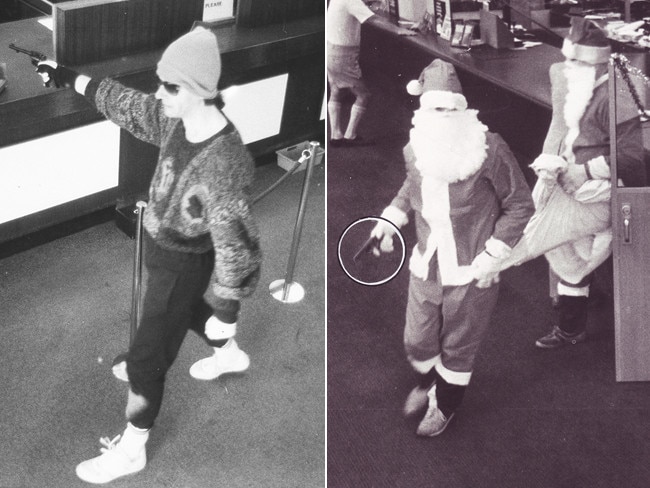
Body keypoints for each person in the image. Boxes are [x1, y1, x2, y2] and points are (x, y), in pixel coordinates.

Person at [35, 27, 262, 483]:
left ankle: (133, 448)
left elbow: (238, 247)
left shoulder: (225, 162)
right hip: (164, 252)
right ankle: (230, 353)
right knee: (192, 312)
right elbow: (123, 102)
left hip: (183, 261)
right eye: (162, 82)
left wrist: (230, 311)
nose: (160, 93)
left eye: (171, 86)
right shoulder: (175, 118)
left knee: (145, 358)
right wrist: (67, 76)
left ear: (200, 91)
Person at [369, 59, 534, 436]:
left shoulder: (488, 148)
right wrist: (390, 220)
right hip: (428, 263)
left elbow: (521, 204)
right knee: (417, 338)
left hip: (474, 269)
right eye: (434, 109)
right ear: (423, 110)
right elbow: (412, 187)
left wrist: (493, 255)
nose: (441, 116)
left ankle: (444, 405)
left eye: (448, 109)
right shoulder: (417, 147)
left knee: (460, 344)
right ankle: (430, 380)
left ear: (461, 109)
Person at [499, 17, 646, 349]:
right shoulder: (584, 89)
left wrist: (585, 171)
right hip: (573, 187)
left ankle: (567, 317)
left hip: (605, 195)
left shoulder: (618, 95)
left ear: (592, 65)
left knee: (547, 239)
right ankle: (572, 319)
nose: (565, 69)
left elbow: (634, 157)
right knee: (564, 248)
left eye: (574, 62)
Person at [327, 0, 415, 146]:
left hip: (331, 50)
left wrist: (369, 3)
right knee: (363, 95)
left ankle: (336, 136)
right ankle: (350, 136)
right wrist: (399, 30)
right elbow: (373, 19)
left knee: (336, 90)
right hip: (342, 55)